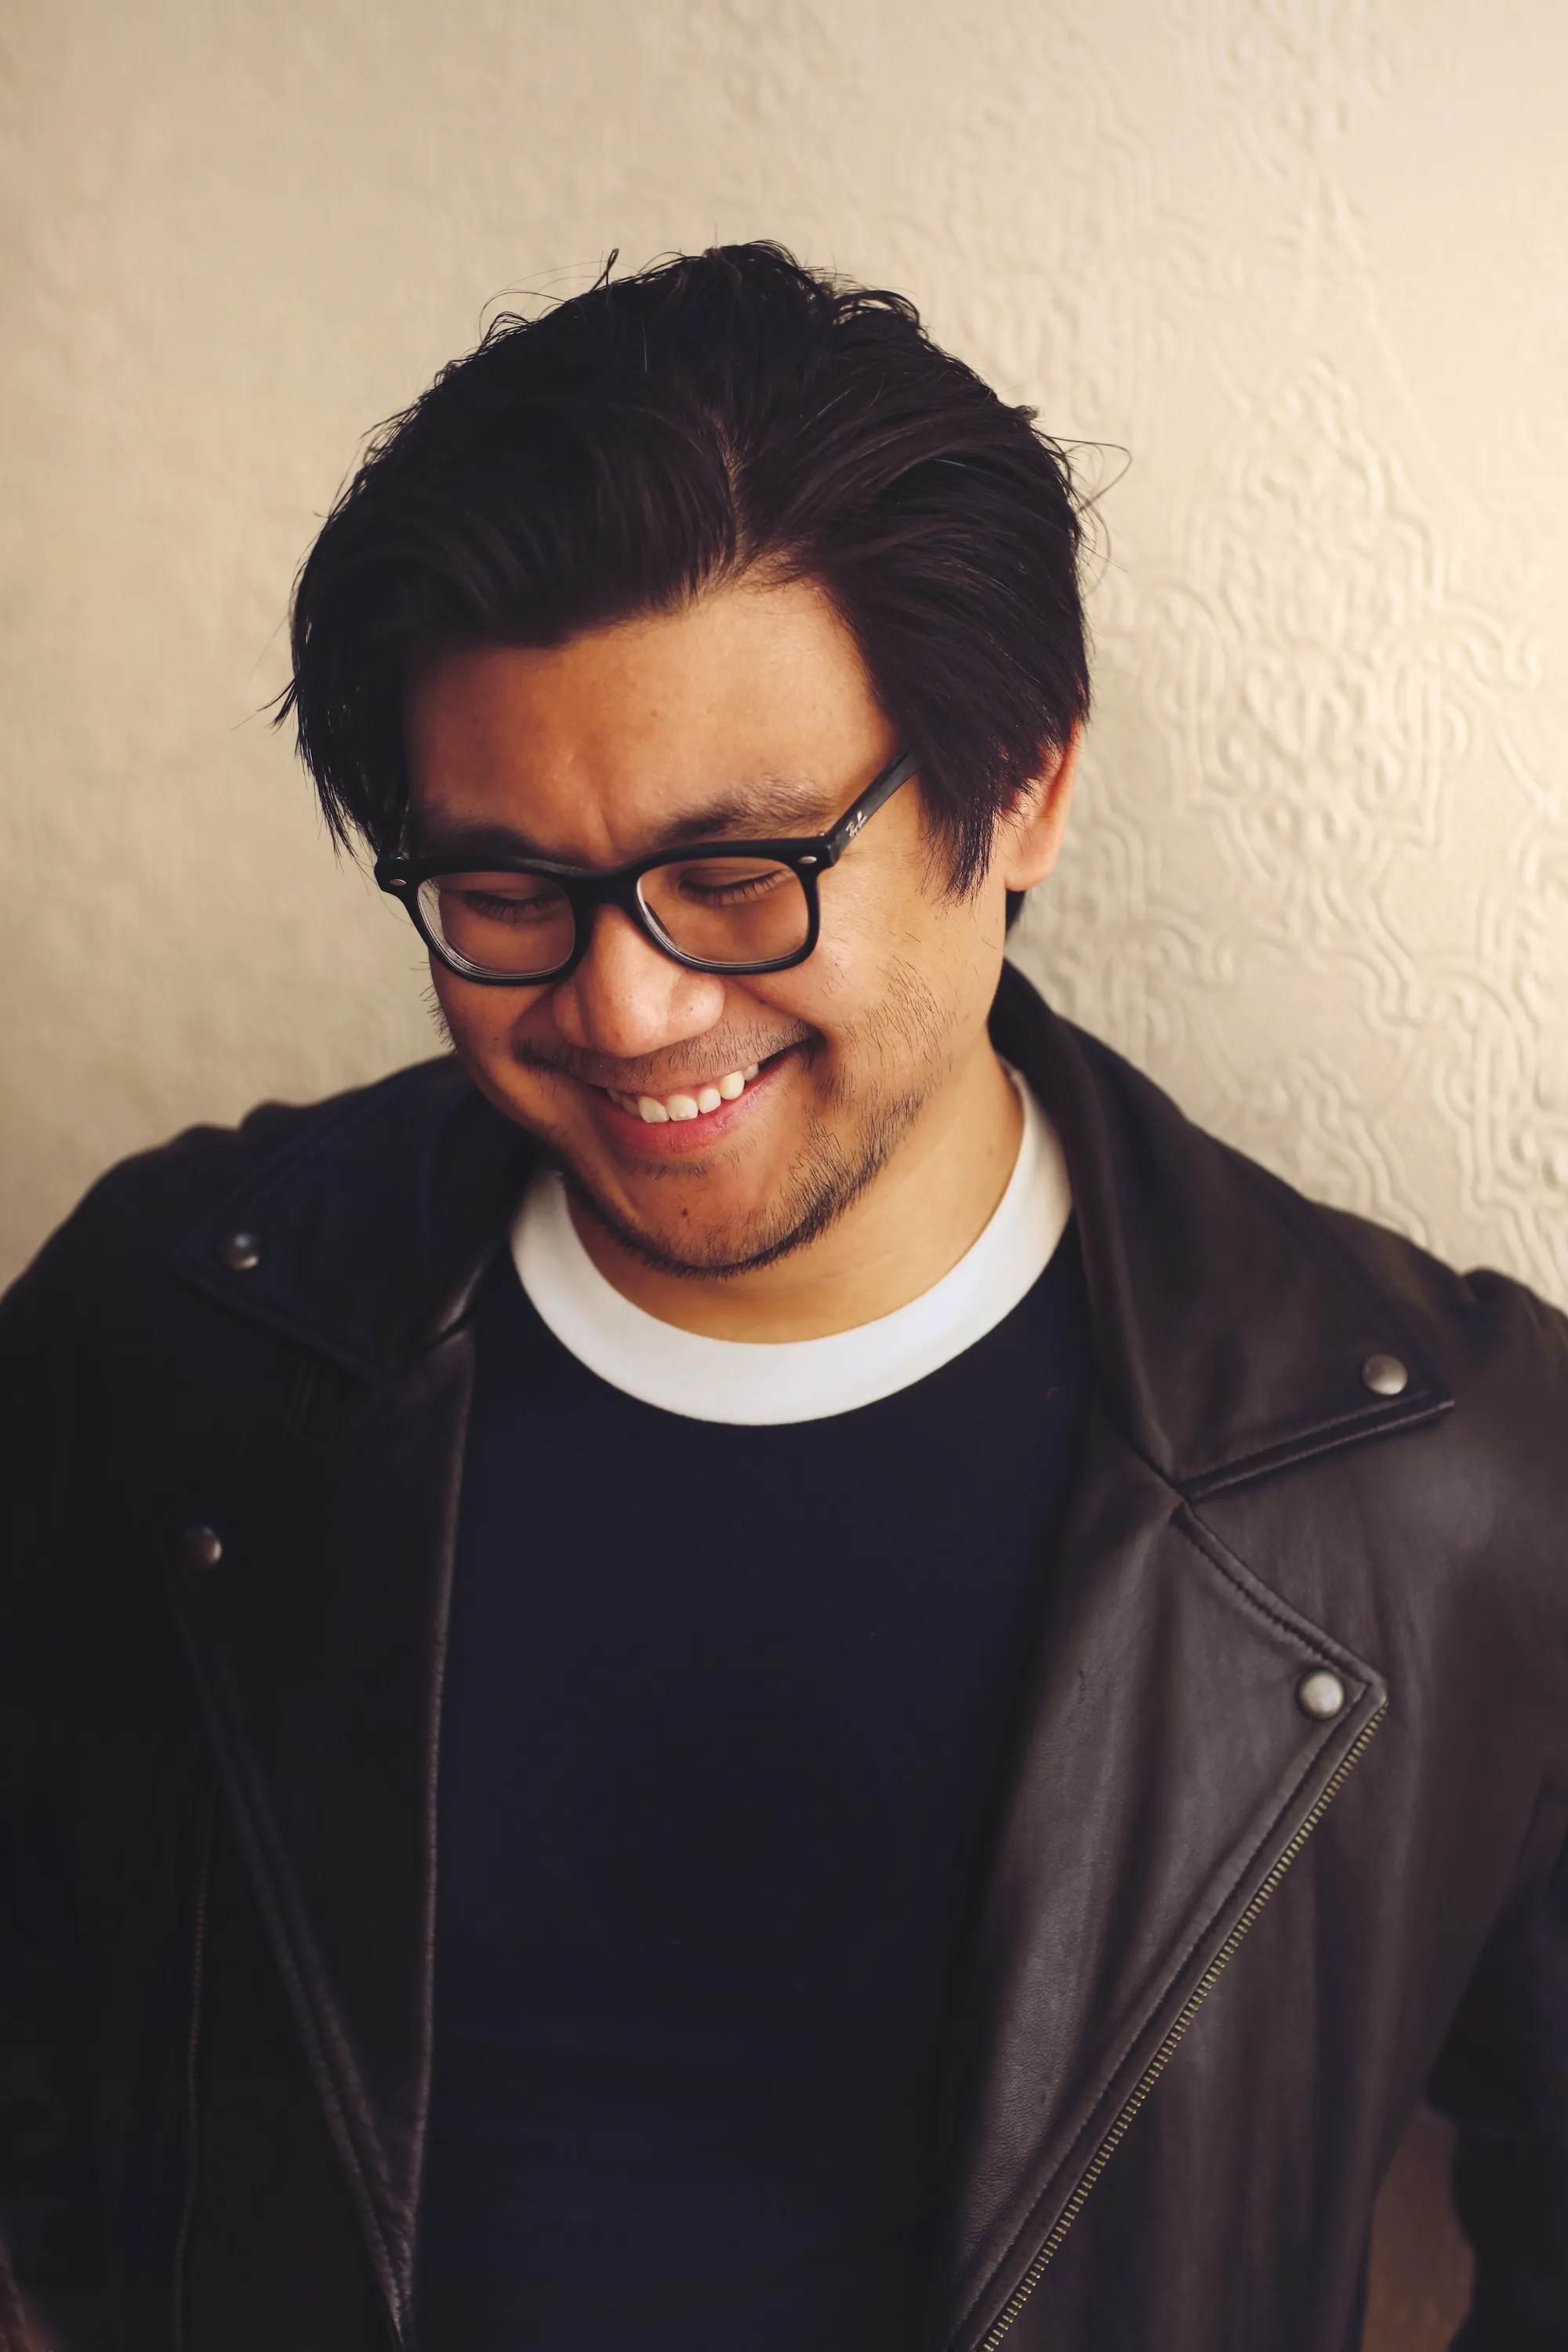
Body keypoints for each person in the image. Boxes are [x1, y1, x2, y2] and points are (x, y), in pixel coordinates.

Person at [1, 242, 1564, 2352]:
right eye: (505, 894)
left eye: (738, 875)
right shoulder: (174, 1335)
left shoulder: (1445, 1486)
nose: (629, 1004)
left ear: (1021, 795)